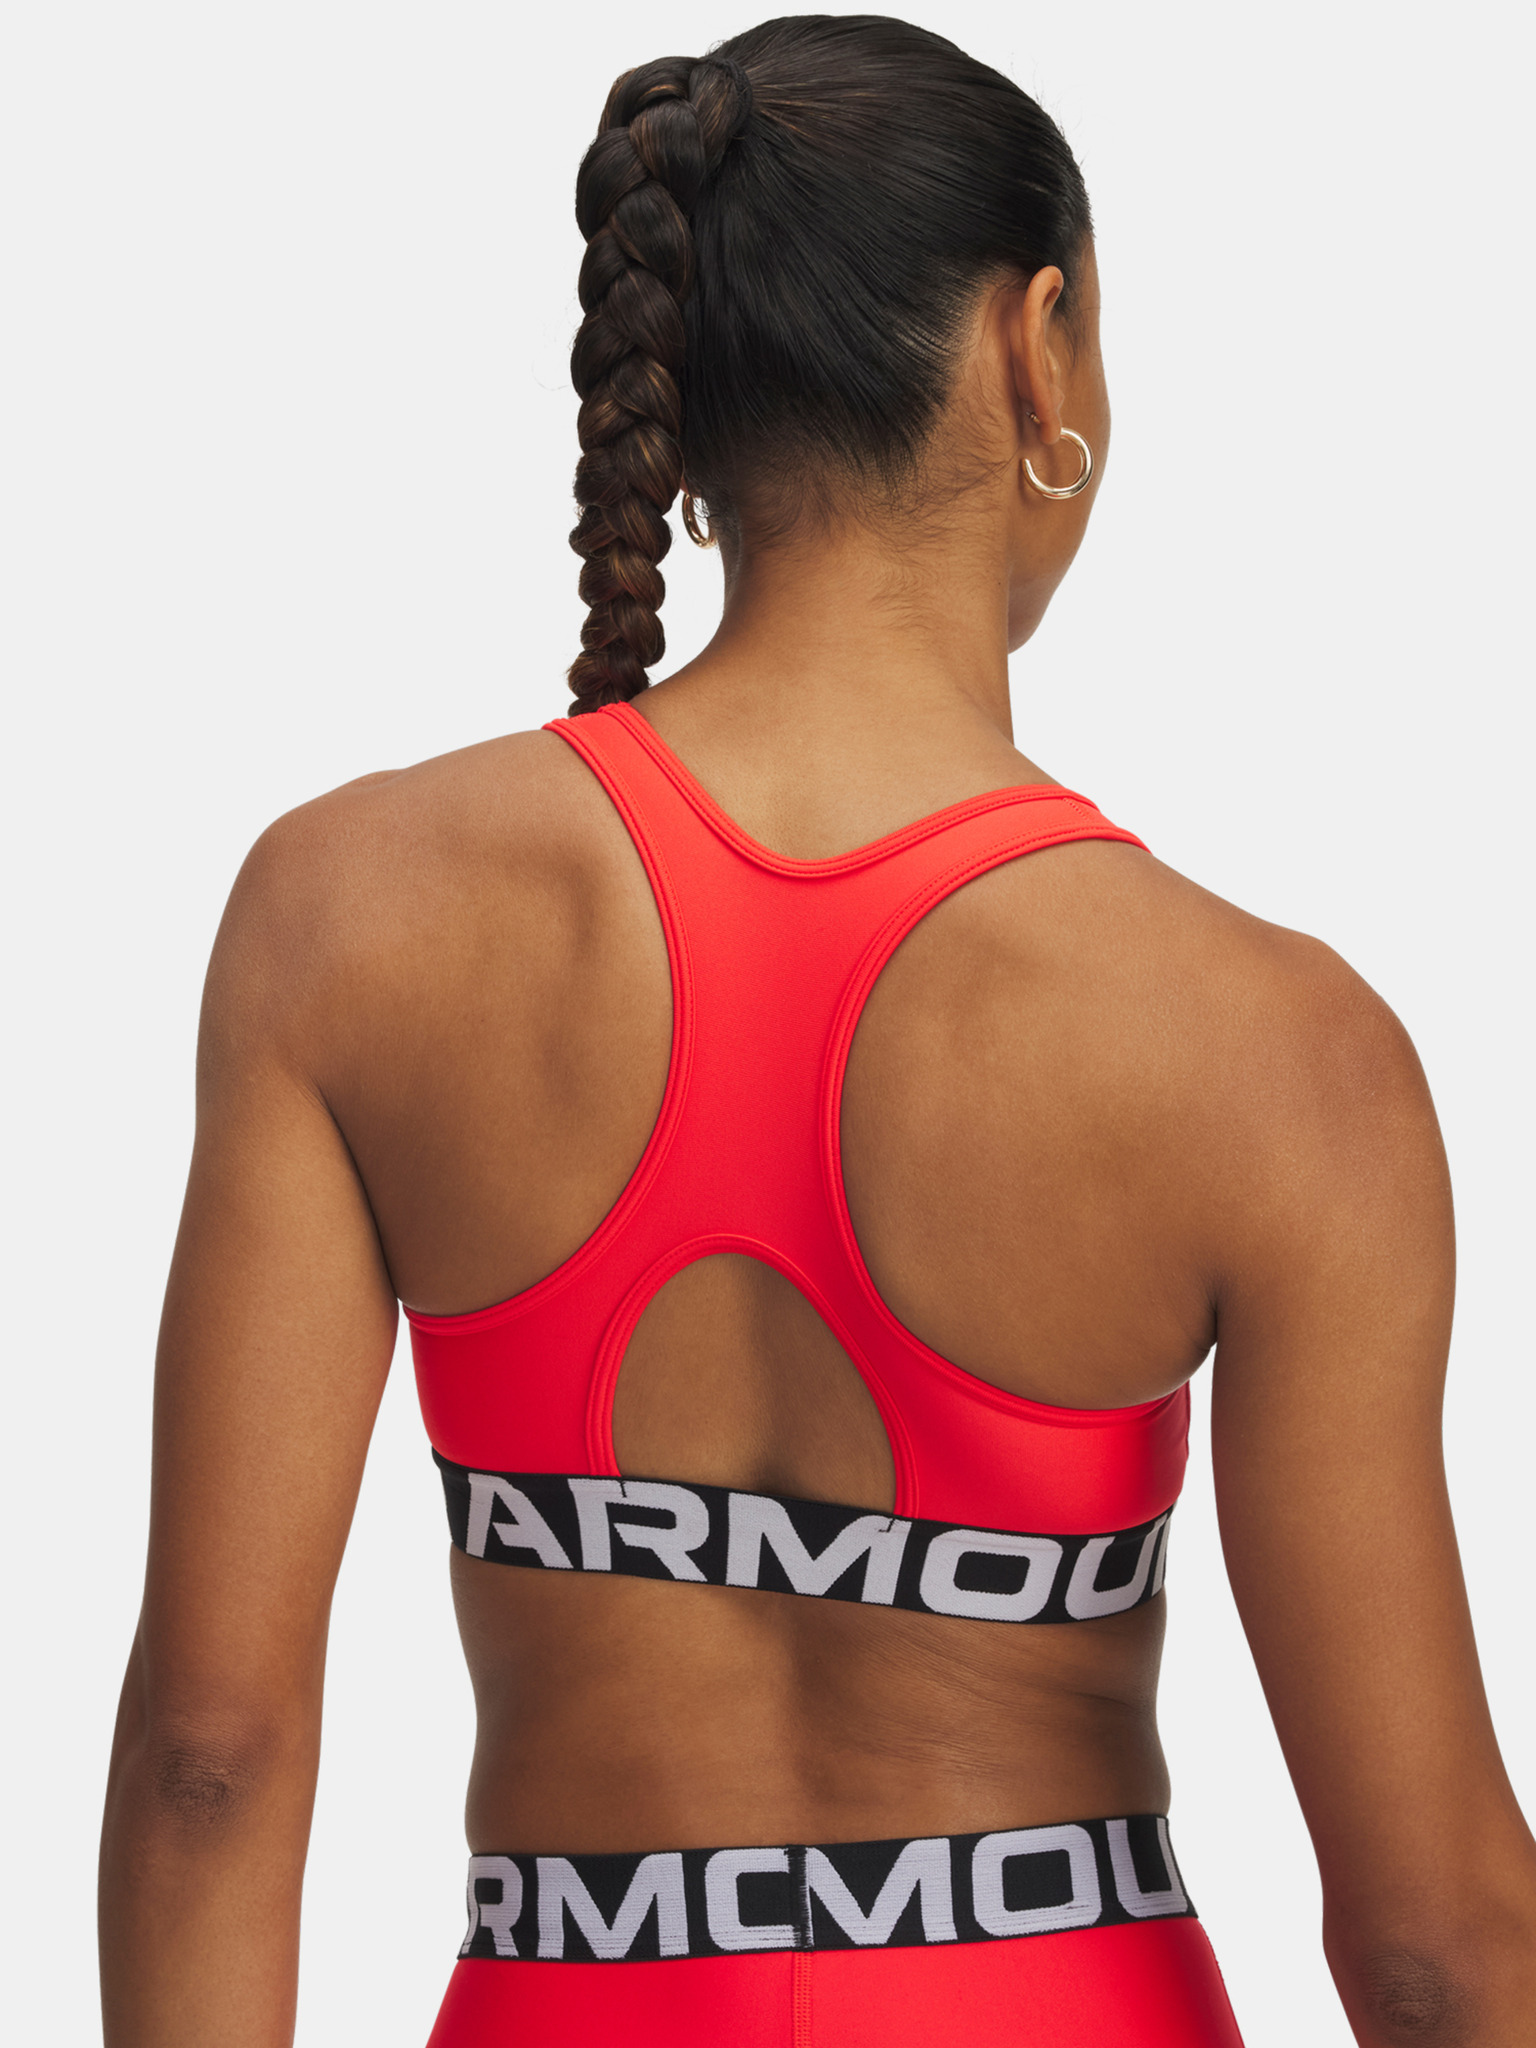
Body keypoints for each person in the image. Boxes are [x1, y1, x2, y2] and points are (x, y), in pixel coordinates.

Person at [97, 14, 1536, 2045]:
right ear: (1039, 347)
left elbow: (208, 1759)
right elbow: (1436, 1946)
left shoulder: (349, 918)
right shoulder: (1276, 1051)